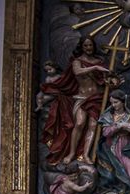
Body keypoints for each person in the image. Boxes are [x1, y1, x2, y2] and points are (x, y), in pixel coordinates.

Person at [39, 35, 112, 166]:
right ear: (81, 47)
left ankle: (86, 155)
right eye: (86, 45)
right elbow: (77, 72)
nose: (88, 48)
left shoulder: (99, 62)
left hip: (97, 98)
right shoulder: (77, 61)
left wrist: (109, 80)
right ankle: (72, 153)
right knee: (79, 123)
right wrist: (95, 68)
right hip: (82, 98)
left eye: (90, 45)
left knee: (93, 126)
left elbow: (105, 80)